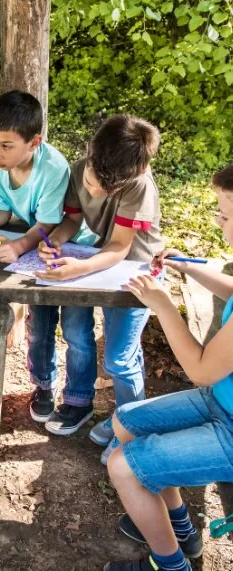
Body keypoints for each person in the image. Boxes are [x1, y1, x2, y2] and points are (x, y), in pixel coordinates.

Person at [100, 163, 233, 571]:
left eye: (225, 216)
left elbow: (201, 370)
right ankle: (181, 530)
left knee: (123, 466)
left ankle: (171, 565)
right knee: (125, 422)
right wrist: (189, 267)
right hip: (222, 401)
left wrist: (162, 305)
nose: (218, 221)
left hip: (226, 418)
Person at [35, 115, 162, 453]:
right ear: (89, 150)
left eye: (101, 191)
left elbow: (121, 247)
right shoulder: (80, 168)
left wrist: (79, 269)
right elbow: (73, 219)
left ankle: (132, 428)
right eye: (90, 182)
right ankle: (92, 406)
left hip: (136, 273)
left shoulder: (139, 184)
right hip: (96, 263)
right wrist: (57, 241)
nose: (91, 190)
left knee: (120, 358)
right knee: (77, 333)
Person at [0, 90, 71, 400]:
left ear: (34, 142)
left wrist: (20, 245)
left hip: (65, 244)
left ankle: (46, 386)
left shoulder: (53, 168)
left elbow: (49, 223)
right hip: (33, 240)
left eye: (6, 146)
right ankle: (42, 381)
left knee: (50, 319)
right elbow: (1, 209)